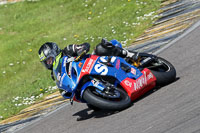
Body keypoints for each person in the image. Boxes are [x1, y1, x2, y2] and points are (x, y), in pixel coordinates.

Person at [38, 39, 138, 81]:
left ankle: (131, 55)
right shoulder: (55, 74)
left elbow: (84, 45)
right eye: (46, 62)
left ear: (54, 52)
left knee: (100, 48)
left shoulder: (67, 50)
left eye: (49, 59)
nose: (49, 63)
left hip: (93, 63)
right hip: (85, 78)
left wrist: (82, 50)